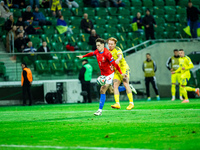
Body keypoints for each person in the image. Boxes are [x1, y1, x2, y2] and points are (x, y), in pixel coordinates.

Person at [77, 38, 126, 116]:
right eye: (96, 45)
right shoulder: (97, 51)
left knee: (102, 90)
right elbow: (91, 53)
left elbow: (115, 64)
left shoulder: (107, 54)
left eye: (99, 45)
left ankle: (99, 111)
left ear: (103, 45)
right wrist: (83, 56)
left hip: (110, 74)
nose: (97, 47)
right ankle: (127, 87)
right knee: (111, 91)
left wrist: (121, 73)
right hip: (103, 75)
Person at [108, 37, 137, 110]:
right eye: (109, 44)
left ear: (115, 44)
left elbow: (120, 56)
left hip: (124, 69)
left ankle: (131, 103)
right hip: (116, 71)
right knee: (115, 86)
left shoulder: (117, 49)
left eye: (111, 44)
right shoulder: (108, 52)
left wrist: (118, 59)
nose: (110, 45)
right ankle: (117, 103)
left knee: (125, 83)